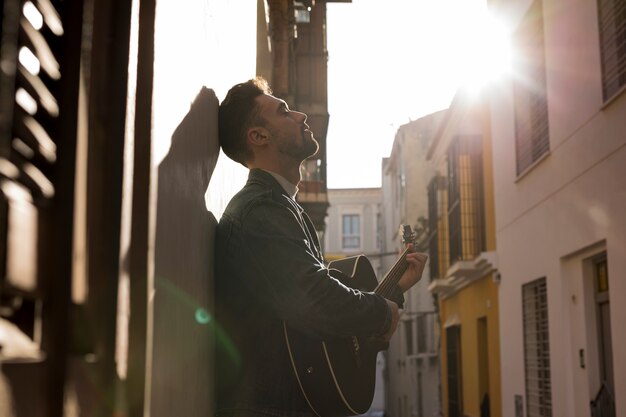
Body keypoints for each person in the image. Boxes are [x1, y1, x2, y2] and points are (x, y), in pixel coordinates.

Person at [214, 77, 428, 417]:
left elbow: (324, 333)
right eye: (284, 111)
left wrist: (394, 290)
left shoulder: (282, 208)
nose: (301, 116)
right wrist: (381, 311)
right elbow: (316, 300)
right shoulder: (262, 211)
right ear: (258, 136)